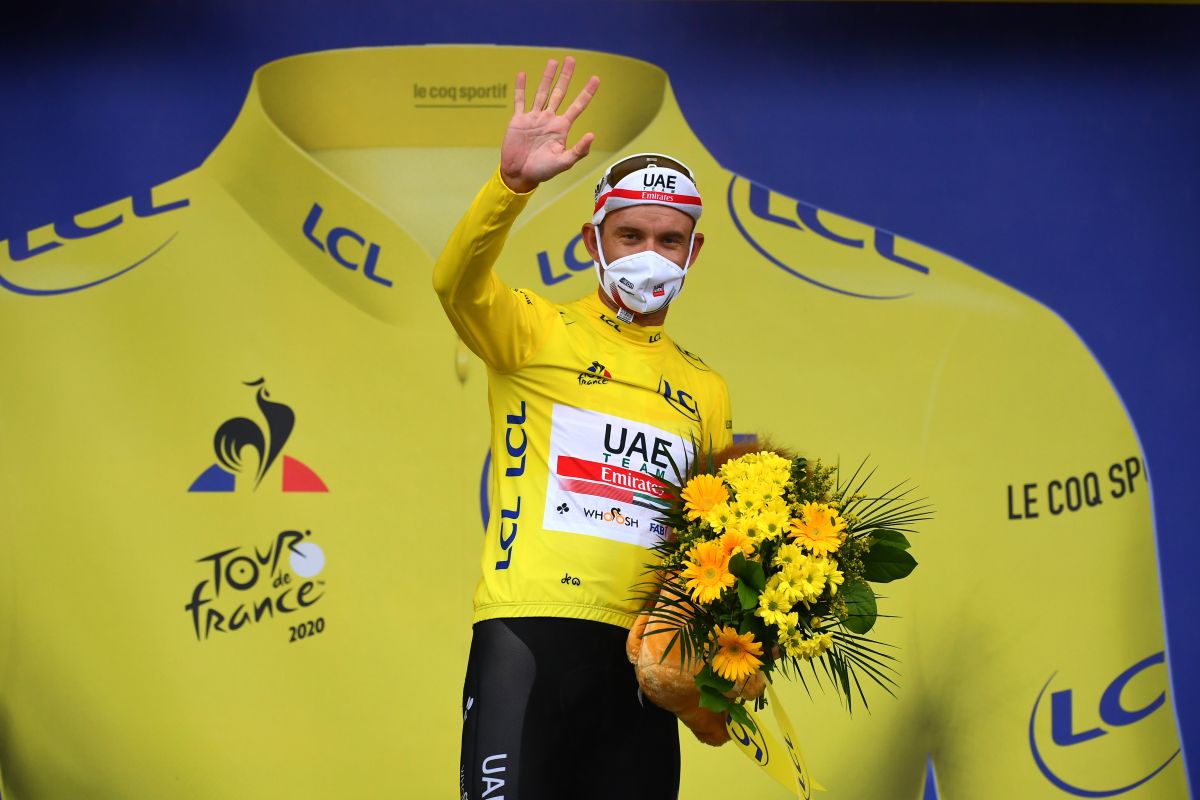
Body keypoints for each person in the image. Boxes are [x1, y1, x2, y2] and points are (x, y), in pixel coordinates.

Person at [433, 56, 733, 800]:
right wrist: (511, 186)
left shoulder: (705, 387)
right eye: (630, 235)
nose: (650, 255)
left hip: (642, 662)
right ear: (593, 241)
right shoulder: (536, 332)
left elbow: (710, 544)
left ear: (693, 252)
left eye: (670, 239)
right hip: (531, 633)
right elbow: (455, 284)